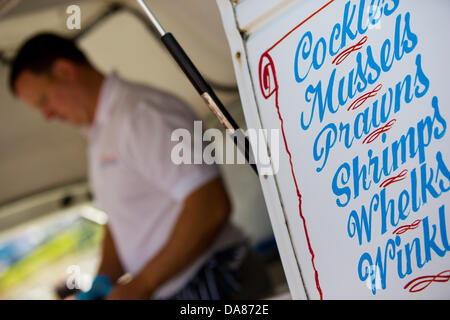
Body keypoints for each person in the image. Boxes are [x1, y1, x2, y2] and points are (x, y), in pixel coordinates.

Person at [8, 33, 273, 300]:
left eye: (44, 101)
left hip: (218, 281)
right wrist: (103, 279)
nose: (47, 116)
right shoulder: (98, 134)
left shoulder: (143, 114)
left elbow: (210, 207)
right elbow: (121, 219)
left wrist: (142, 285)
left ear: (65, 71)